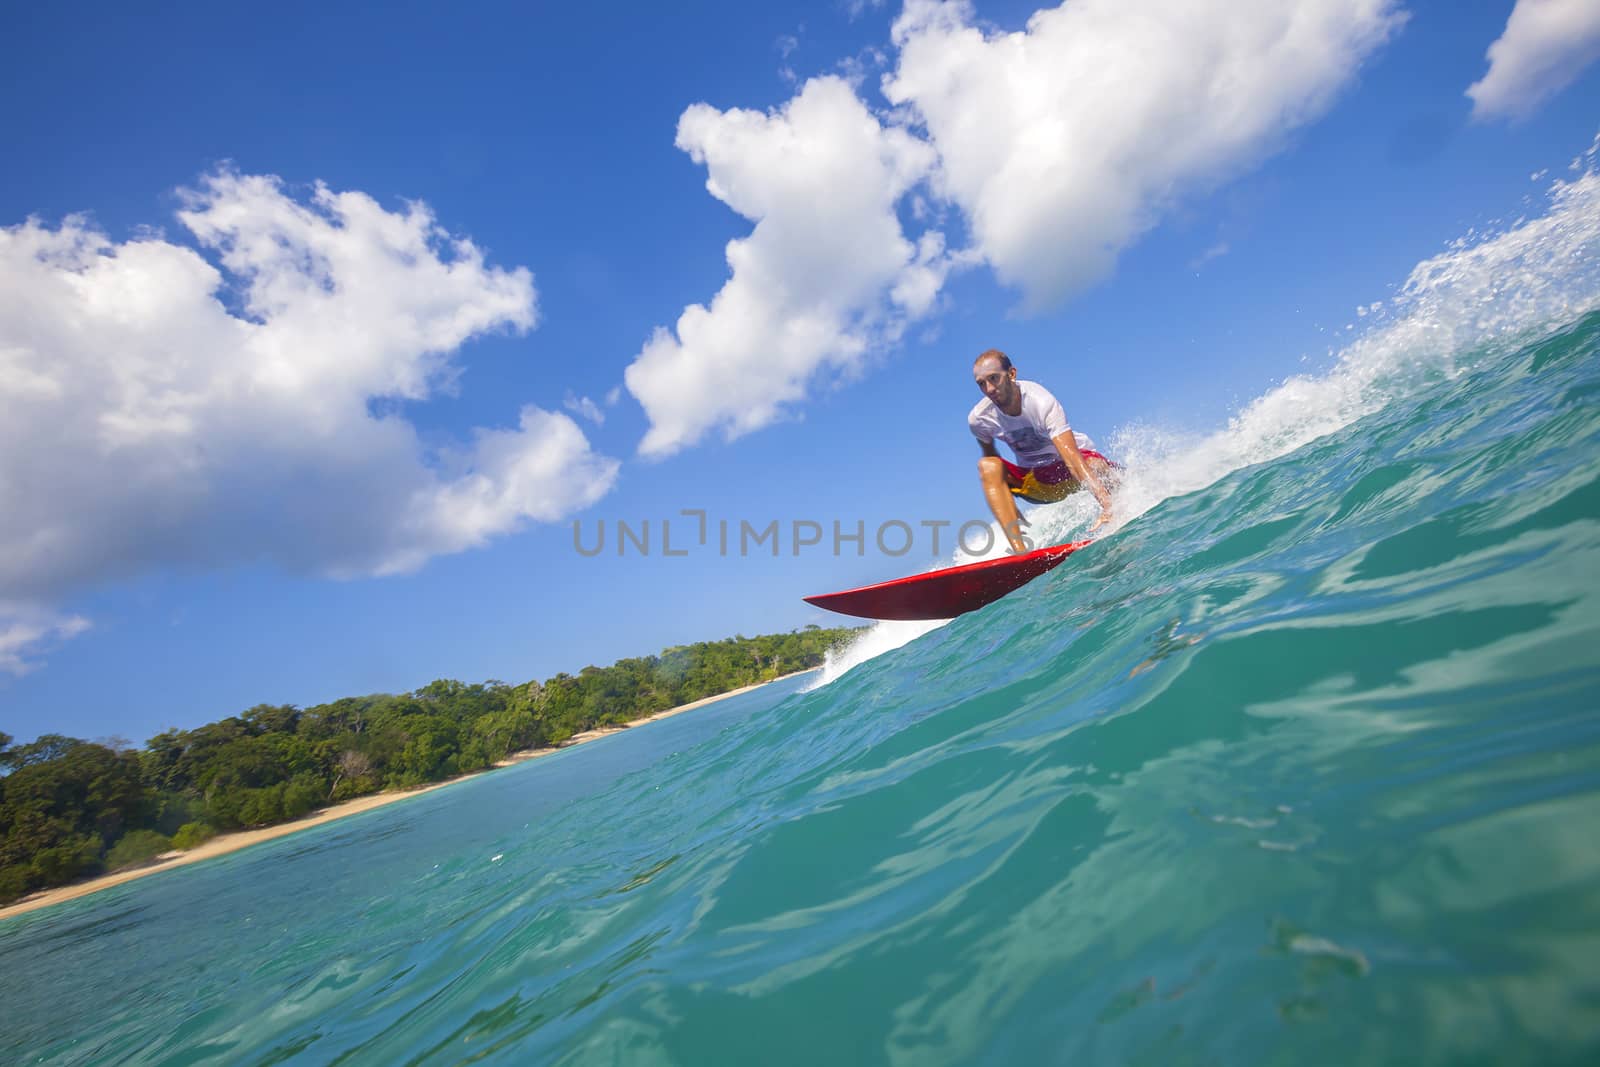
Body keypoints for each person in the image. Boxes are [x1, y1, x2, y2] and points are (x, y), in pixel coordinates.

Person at [969, 349, 1115, 553]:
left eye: (994, 378)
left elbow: (1072, 458)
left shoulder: (1041, 402)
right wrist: (1006, 501)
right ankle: (1020, 552)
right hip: (1037, 480)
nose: (989, 388)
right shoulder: (980, 418)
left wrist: (1105, 504)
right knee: (986, 466)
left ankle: (1121, 506)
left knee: (1095, 465)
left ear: (1012, 374)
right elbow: (992, 462)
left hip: (1075, 468)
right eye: (981, 383)